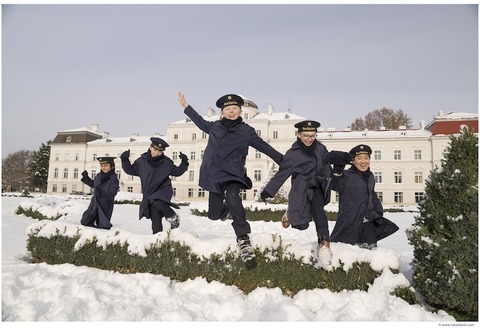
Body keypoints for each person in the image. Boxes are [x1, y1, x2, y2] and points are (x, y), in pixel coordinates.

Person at [177, 91, 283, 268]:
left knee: (234, 198)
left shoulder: (246, 131)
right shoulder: (214, 127)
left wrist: (283, 160)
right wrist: (186, 107)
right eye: (228, 109)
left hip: (233, 174)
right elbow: (199, 121)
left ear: (240, 111)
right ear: (222, 112)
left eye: (235, 108)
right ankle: (224, 209)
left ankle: (243, 238)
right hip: (213, 176)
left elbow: (264, 147)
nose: (231, 111)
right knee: (213, 215)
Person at [259, 120, 352, 269]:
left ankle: (324, 244)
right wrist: (267, 191)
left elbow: (329, 157)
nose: (309, 139)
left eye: (312, 135)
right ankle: (289, 213)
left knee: (319, 212)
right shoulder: (293, 154)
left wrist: (343, 157)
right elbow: (282, 174)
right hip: (301, 190)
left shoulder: (320, 149)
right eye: (306, 135)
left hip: (317, 187)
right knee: (301, 225)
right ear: (299, 135)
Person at [330, 144, 399, 249]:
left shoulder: (371, 176)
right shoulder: (346, 175)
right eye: (359, 158)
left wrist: (378, 209)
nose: (363, 162)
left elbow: (372, 194)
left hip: (368, 220)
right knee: (348, 252)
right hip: (350, 221)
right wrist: (337, 174)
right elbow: (335, 186)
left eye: (366, 158)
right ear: (353, 160)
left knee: (370, 250)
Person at [120, 137, 189, 234]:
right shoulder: (141, 161)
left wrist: (184, 163)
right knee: (155, 219)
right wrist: (124, 159)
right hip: (149, 193)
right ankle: (157, 238)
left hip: (163, 190)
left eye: (160, 151)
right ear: (150, 147)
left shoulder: (166, 162)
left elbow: (177, 172)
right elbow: (130, 170)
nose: (156, 153)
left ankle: (173, 217)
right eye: (155, 150)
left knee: (158, 202)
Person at [80, 156, 119, 230]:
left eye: (106, 165)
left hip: (104, 205)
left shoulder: (114, 179)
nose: (103, 168)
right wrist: (86, 177)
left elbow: (113, 193)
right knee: (85, 221)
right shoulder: (98, 176)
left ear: (112, 166)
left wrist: (102, 194)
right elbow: (93, 184)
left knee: (103, 227)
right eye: (102, 166)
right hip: (94, 203)